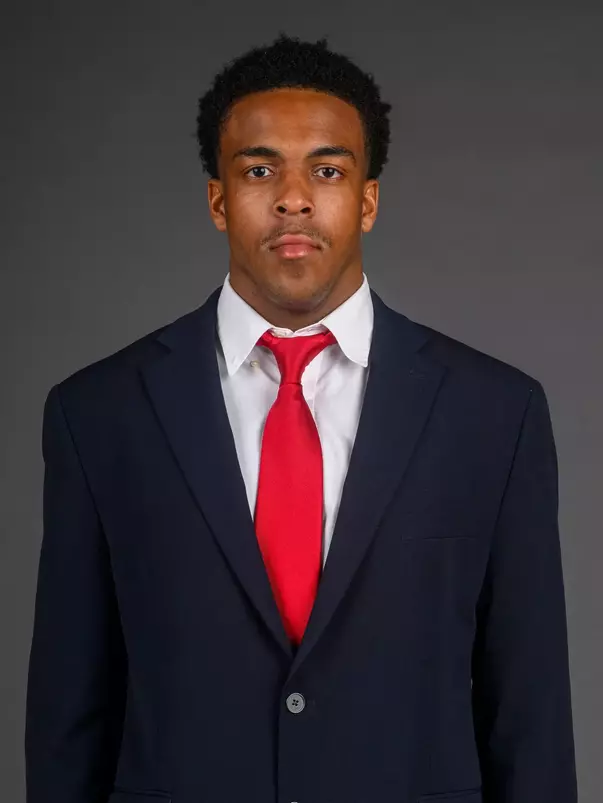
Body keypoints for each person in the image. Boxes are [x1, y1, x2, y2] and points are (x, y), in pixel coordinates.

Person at [25, 33, 577, 803]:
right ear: (218, 198)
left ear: (368, 198)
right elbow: (68, 718)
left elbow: (530, 715)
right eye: (258, 170)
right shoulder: (98, 414)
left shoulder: (494, 413)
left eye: (326, 169)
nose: (292, 196)